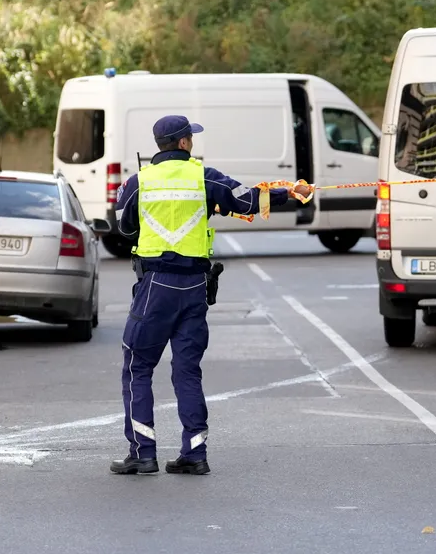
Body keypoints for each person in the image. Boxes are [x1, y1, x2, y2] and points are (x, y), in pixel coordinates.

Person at [109, 115, 312, 476]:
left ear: (160, 144)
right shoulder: (205, 176)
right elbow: (248, 200)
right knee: (187, 371)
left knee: (137, 367)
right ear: (184, 143)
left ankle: (143, 453)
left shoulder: (139, 181)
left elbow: (123, 226)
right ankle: (195, 452)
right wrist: (291, 192)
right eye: (191, 137)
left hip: (155, 285)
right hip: (193, 289)